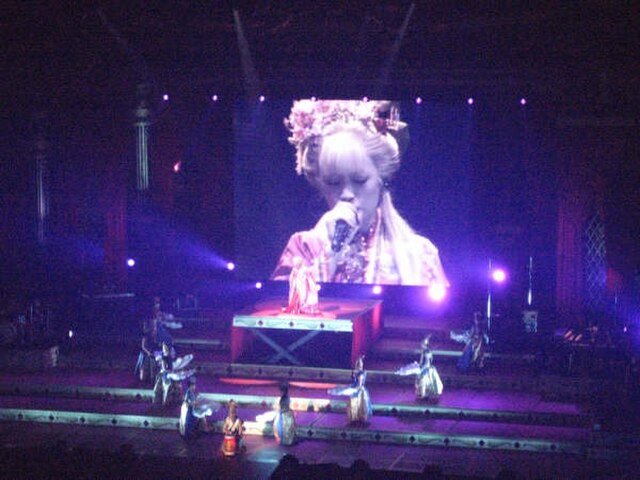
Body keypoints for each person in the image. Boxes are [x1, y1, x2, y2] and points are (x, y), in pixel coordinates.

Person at [272, 99, 448, 287]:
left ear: (382, 179)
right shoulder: (302, 249)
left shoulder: (419, 254)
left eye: (359, 180)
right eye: (333, 182)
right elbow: (280, 311)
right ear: (321, 186)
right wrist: (330, 256)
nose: (347, 194)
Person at [395, 335, 443, 401]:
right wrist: (419, 366)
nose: (421, 346)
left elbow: (427, 362)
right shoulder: (424, 352)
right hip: (423, 368)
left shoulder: (427, 352)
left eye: (422, 345)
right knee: (421, 382)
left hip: (427, 369)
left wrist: (422, 368)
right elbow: (421, 361)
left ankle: (427, 395)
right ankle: (423, 395)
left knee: (426, 381)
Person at [328, 355, 372, 424]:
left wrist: (353, 389)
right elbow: (354, 382)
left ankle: (361, 419)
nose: (358, 366)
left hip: (359, 390)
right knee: (342, 389)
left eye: (360, 364)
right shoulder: (356, 373)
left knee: (345, 391)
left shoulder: (361, 374)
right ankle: (354, 418)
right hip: (355, 387)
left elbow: (359, 385)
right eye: (358, 364)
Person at [179, 376, 218, 440]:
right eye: (194, 385)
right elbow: (190, 402)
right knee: (190, 423)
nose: (195, 386)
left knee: (196, 420)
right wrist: (197, 403)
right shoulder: (189, 392)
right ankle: (190, 435)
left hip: (191, 410)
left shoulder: (191, 392)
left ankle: (195, 433)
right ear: (192, 385)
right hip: (189, 410)